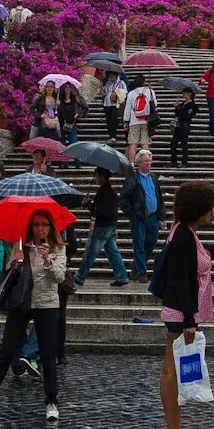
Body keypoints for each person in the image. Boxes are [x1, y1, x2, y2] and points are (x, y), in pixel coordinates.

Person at [0, 210, 70, 422]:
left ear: (51, 227)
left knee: (48, 354)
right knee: (6, 351)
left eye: (45, 224)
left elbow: (58, 277)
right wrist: (15, 264)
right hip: (22, 302)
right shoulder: (21, 245)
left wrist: (47, 259)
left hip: (47, 304)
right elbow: (12, 273)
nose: (40, 229)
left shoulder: (58, 248)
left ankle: (51, 402)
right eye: (36, 224)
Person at [151, 179, 214, 429]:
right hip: (181, 313)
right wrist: (190, 320)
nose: (213, 212)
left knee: (173, 371)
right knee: (171, 372)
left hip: (180, 311)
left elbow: (193, 258)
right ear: (199, 209)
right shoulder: (182, 236)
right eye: (210, 207)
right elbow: (181, 279)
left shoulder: (184, 232)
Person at [75, 169, 129, 287]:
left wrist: (89, 205)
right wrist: (90, 204)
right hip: (110, 225)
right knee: (112, 251)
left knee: (91, 251)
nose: (95, 179)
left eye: (96, 176)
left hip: (103, 226)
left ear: (102, 177)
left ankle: (80, 275)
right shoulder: (110, 192)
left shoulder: (104, 192)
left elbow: (99, 211)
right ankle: (122, 276)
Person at [123, 152, 162, 280]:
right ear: (139, 163)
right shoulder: (133, 178)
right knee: (139, 245)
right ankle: (141, 272)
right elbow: (124, 198)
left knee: (151, 243)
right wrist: (132, 213)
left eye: (150, 161)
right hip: (139, 217)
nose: (148, 163)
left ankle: (136, 265)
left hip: (152, 217)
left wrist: (161, 217)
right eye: (145, 161)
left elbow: (159, 197)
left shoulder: (153, 178)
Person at [124, 79, 155, 162]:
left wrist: (126, 121)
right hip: (146, 121)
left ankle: (131, 164)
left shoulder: (131, 93)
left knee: (133, 144)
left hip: (134, 121)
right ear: (144, 83)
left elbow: (127, 108)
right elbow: (154, 105)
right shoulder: (150, 91)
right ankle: (146, 161)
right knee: (145, 144)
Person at [170, 89, 196, 166]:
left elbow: (187, 116)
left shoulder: (192, 105)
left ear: (189, 94)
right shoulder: (183, 104)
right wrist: (176, 107)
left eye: (184, 93)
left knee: (183, 144)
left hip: (185, 126)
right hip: (178, 125)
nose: (183, 95)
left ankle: (184, 162)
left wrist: (179, 108)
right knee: (173, 144)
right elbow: (177, 115)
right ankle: (174, 161)